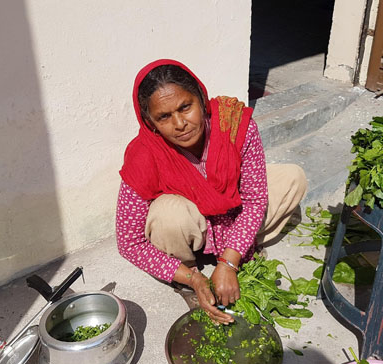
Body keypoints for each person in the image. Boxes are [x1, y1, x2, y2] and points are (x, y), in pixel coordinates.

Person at [116, 59, 306, 324]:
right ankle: (191, 270)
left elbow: (253, 200)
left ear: (202, 100)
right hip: (191, 226)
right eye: (164, 117)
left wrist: (229, 261)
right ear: (150, 123)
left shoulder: (234, 125)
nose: (180, 123)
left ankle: (239, 246)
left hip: (232, 213)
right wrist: (192, 278)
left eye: (185, 107)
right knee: (168, 214)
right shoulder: (144, 154)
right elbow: (129, 242)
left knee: (292, 178)